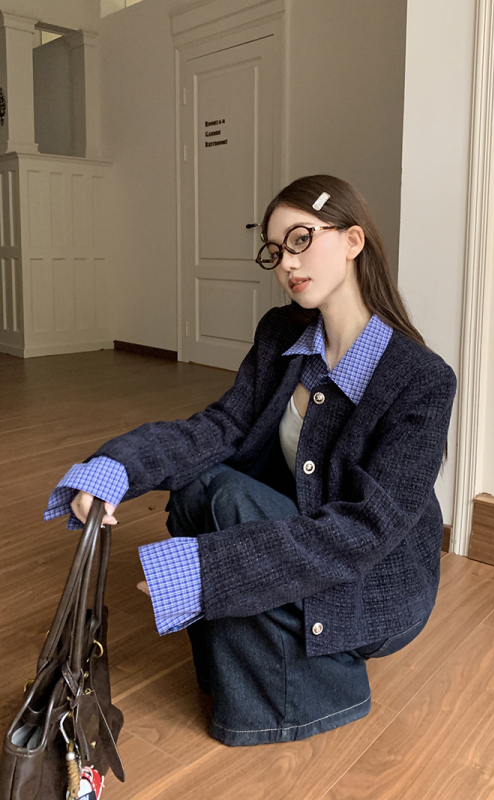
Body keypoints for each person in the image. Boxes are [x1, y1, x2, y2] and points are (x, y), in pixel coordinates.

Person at [45, 175, 457, 747]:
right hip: (308, 536)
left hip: (374, 577)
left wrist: (208, 571)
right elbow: (219, 428)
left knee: (228, 504)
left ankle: (316, 689)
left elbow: (366, 531)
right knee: (203, 486)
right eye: (275, 250)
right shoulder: (281, 333)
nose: (287, 263)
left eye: (301, 239)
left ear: (353, 240)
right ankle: (252, 663)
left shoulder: (422, 379)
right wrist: (115, 469)